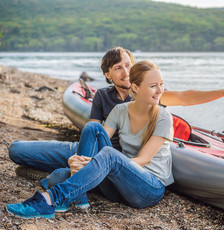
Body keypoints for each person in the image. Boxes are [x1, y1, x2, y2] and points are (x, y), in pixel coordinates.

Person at [8, 46, 224, 210]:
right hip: (92, 150)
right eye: (118, 68)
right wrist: (78, 158)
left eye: (128, 65)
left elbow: (186, 97)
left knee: (64, 175)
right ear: (108, 75)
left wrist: (222, 92)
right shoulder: (103, 98)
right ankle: (66, 176)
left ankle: (56, 180)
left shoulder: (150, 97)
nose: (125, 71)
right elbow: (93, 130)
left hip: (120, 163)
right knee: (17, 150)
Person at [6, 61, 174, 219]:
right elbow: (97, 140)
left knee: (101, 158)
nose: (160, 90)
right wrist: (77, 159)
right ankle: (79, 198)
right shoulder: (120, 110)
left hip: (147, 188)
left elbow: (142, 160)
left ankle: (49, 199)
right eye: (153, 86)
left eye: (161, 84)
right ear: (136, 87)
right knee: (92, 129)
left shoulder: (164, 117)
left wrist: (96, 163)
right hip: (118, 187)